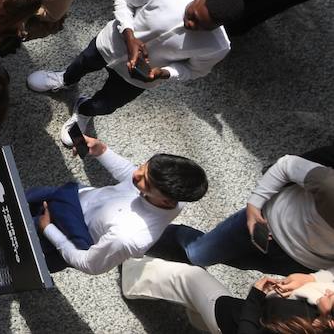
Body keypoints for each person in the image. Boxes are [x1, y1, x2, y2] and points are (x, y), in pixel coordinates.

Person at [27, 0, 243, 144]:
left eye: (201, 26)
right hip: (110, 44)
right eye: (192, 15)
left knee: (106, 105)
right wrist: (129, 35)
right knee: (82, 63)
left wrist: (164, 73)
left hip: (138, 79)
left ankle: (84, 110)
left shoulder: (218, 47)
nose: (189, 24)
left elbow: (194, 71)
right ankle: (65, 79)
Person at [28, 134, 209, 274]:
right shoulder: (169, 195)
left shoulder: (130, 237)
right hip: (69, 198)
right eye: (143, 167)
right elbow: (128, 174)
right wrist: (102, 151)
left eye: (145, 181)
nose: (136, 175)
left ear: (166, 200)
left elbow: (89, 264)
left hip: (62, 233)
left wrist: (49, 230)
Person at [161, 148, 334, 273]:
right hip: (264, 224)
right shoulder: (329, 186)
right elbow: (287, 165)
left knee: (238, 262)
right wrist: (254, 206)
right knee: (198, 254)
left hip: (299, 264)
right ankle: (156, 234)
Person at [121, 258, 334, 333]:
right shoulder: (317, 317)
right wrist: (309, 280)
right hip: (235, 315)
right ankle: (196, 318)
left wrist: (255, 296)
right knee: (197, 308)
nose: (330, 290)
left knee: (189, 277)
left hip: (229, 318)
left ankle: (129, 273)